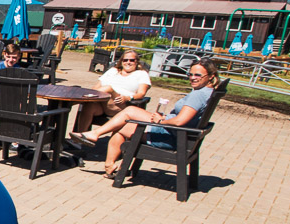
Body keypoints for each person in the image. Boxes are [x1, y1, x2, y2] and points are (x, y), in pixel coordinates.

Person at [72, 58, 221, 179]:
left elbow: (179, 121)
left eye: (198, 75)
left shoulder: (198, 95)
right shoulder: (207, 92)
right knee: (126, 118)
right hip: (177, 134)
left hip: (171, 135)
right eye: (191, 74)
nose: (192, 78)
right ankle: (109, 165)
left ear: (211, 77)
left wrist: (161, 121)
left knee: (124, 120)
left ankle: (96, 137)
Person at [73, 50, 152, 131]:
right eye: (125, 60)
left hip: (121, 105)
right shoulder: (113, 71)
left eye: (132, 60)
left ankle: (75, 101)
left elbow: (141, 93)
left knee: (109, 88)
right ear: (121, 62)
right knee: (89, 105)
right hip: (102, 103)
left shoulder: (142, 74)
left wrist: (128, 98)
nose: (128, 62)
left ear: (137, 62)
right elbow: (95, 88)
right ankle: (79, 137)